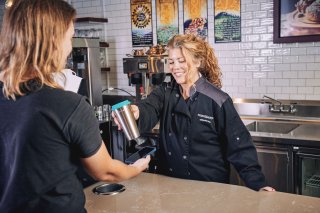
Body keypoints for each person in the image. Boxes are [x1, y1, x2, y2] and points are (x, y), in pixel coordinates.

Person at [0, 0, 150, 212]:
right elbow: (106, 172)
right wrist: (135, 168)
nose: (70, 48)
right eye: (69, 38)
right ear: (53, 41)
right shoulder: (67, 104)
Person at [113, 34, 274, 192]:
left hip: (209, 190)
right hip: (169, 188)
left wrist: (258, 184)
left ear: (197, 61)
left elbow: (240, 146)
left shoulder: (217, 99)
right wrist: (136, 112)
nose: (175, 67)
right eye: (171, 61)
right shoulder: (165, 92)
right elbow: (148, 108)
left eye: (181, 61)